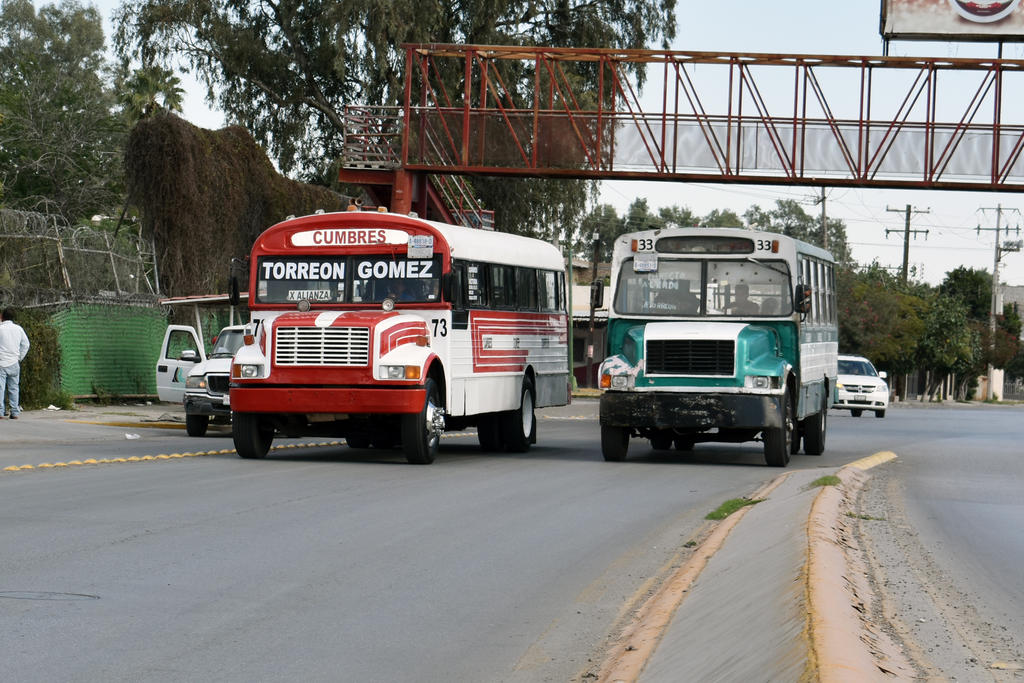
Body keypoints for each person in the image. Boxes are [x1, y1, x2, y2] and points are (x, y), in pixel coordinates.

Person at [0, 307, 31, 419]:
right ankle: (14, 412)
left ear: (2, 317)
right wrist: (19, 358)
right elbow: (26, 345)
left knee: (1, 388)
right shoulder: (19, 329)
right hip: (14, 362)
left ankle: (0, 411)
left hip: (1, 362)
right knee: (14, 388)